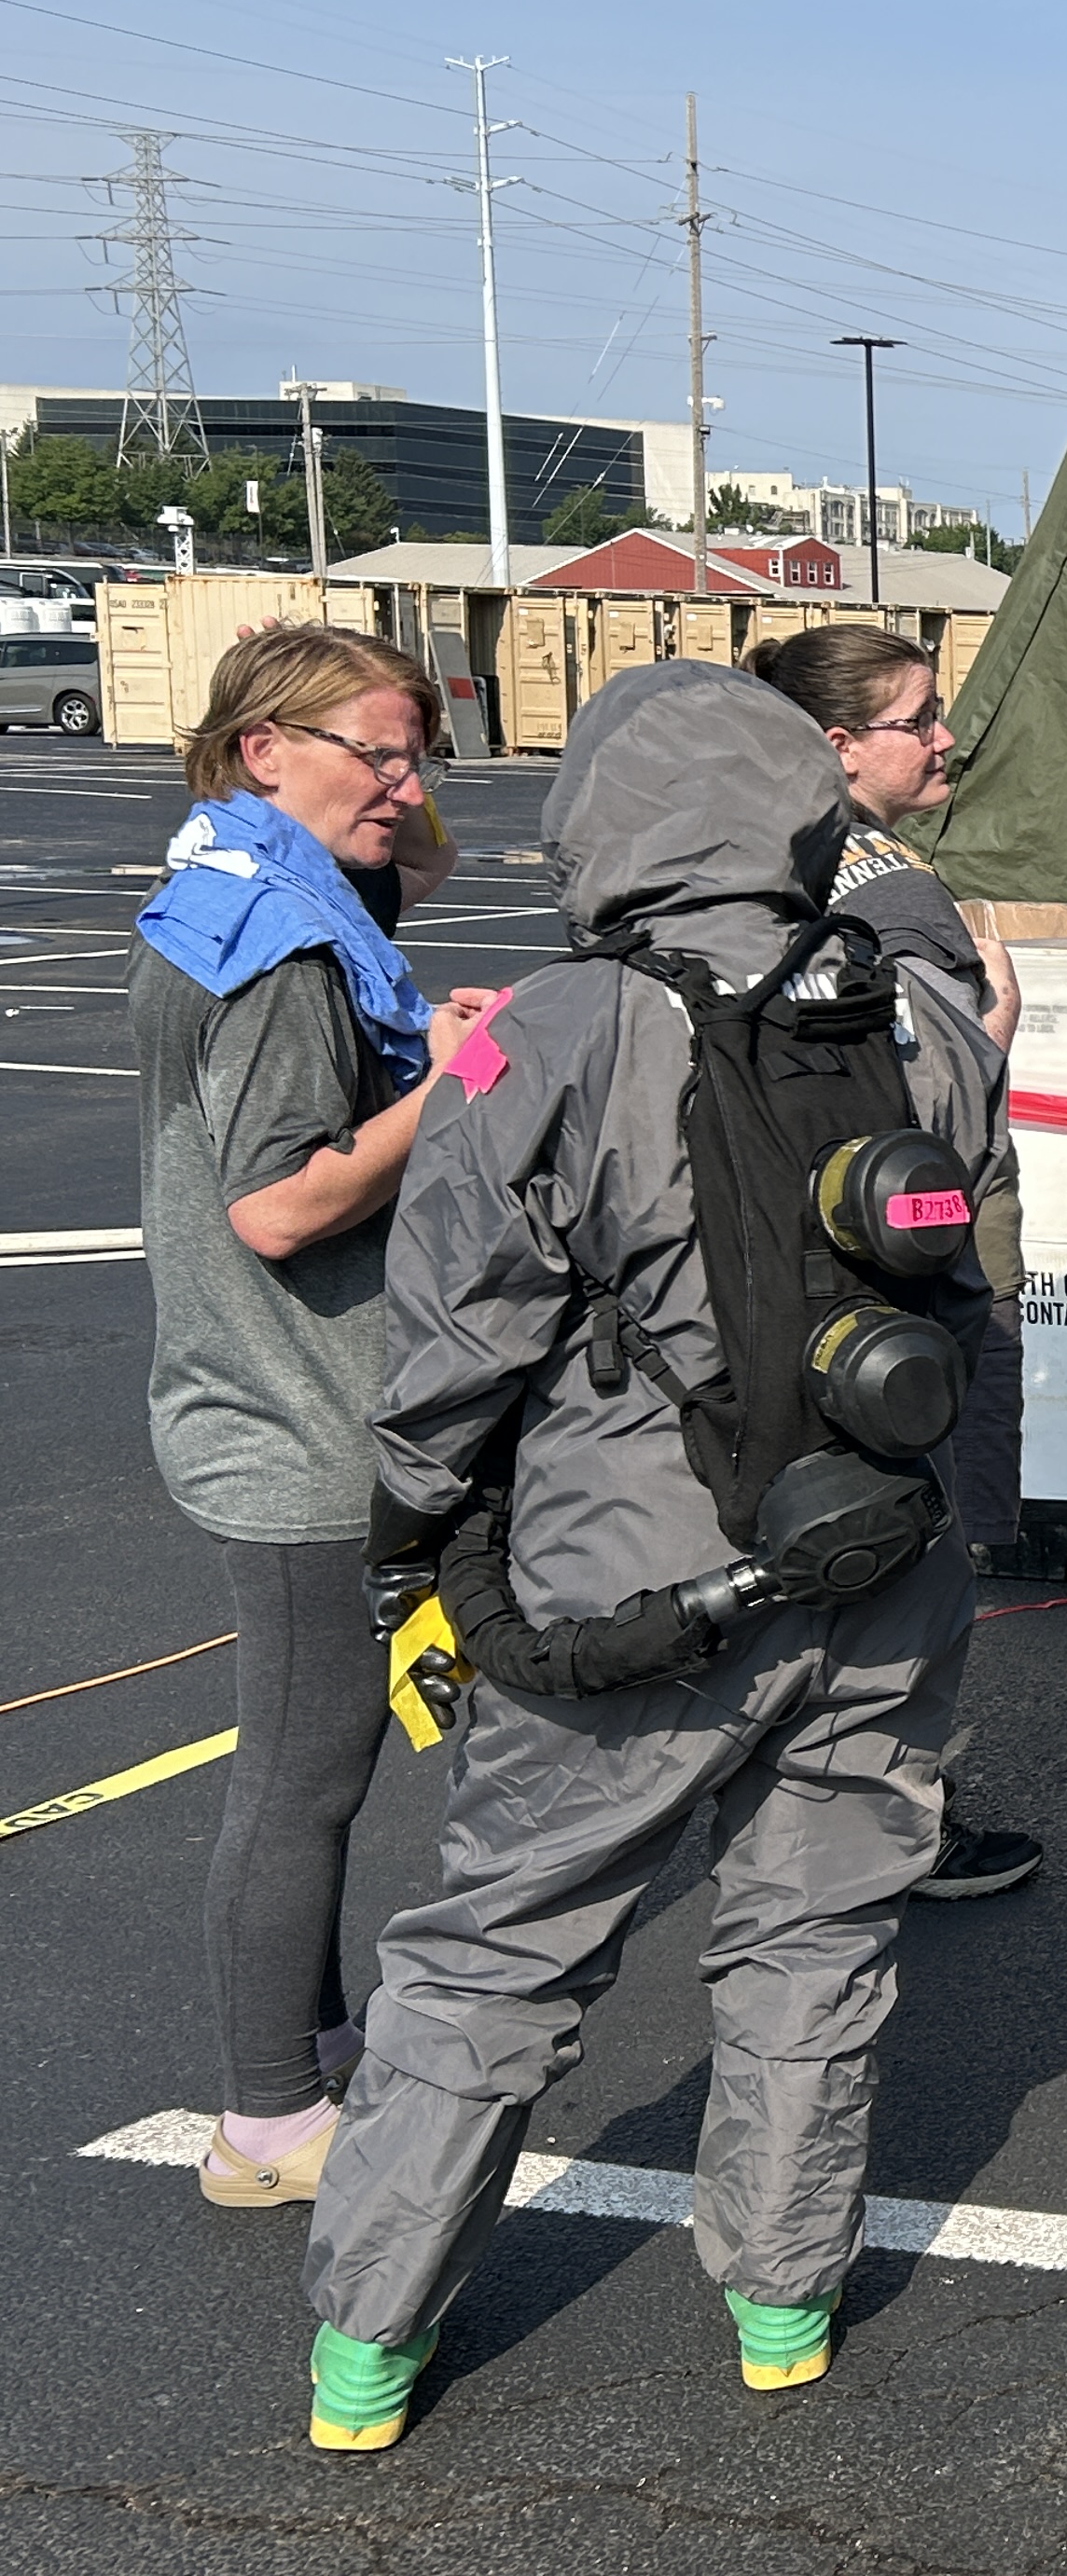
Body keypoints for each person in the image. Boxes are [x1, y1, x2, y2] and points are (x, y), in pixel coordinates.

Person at [299, 661, 1008, 2448]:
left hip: (626, 1578)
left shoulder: (541, 1026)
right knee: (815, 1930)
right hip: (879, 1545)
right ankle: (782, 2298)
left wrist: (410, 1537)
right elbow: (962, 1092)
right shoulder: (916, 1013)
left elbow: (453, 1331)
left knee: (495, 1952)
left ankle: (367, 2344)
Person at [132, 627, 491, 2214]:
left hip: (264, 1392)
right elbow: (283, 1202)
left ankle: (304, 2038)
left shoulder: (234, 891)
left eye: (420, 753)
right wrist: (462, 1072)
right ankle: (266, 2118)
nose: (409, 788)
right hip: (291, 1415)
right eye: (380, 752)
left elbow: (414, 852)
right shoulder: (284, 948)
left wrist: (381, 776)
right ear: (261, 747)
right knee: (302, 1773)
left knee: (314, 1764)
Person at [751, 625, 1041, 1900]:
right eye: (918, 717)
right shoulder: (891, 890)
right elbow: (935, 1101)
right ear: (835, 744)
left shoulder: (750, 869)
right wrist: (991, 1037)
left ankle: (826, 1800)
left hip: (786, 1273)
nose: (945, 737)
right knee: (922, 1551)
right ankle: (898, 1820)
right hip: (914, 1269)